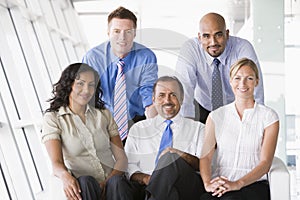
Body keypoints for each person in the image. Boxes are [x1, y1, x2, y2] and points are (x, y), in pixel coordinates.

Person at [41, 63, 134, 200]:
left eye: (91, 85)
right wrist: (65, 177)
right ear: (69, 85)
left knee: (117, 182)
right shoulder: (53, 119)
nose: (86, 90)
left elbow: (121, 159)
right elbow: (56, 163)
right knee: (85, 182)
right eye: (80, 84)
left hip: (112, 184)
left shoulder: (104, 115)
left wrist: (107, 184)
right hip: (84, 188)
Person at [199, 58, 279, 200]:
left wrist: (237, 184)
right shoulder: (216, 116)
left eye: (249, 78)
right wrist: (207, 184)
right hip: (221, 183)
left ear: (256, 81)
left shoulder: (269, 117)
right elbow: (206, 156)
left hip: (252, 185)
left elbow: (265, 163)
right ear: (230, 81)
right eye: (237, 78)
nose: (242, 84)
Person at [82, 6, 158, 142]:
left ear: (134, 34)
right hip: (104, 120)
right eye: (116, 31)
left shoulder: (146, 56)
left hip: (137, 119)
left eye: (128, 32)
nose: (122, 38)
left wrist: (156, 127)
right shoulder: (93, 57)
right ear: (108, 32)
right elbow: (86, 95)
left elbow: (148, 93)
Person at [124, 76, 206, 200]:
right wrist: (147, 179)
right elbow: (129, 166)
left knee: (170, 157)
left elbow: (204, 165)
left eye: (173, 95)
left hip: (185, 187)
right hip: (146, 187)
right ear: (153, 99)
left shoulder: (199, 129)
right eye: (161, 95)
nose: (167, 100)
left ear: (182, 98)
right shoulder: (138, 129)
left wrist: (179, 155)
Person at [176, 12, 264, 124]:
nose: (213, 42)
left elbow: (255, 90)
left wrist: (256, 124)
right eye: (206, 36)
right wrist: (185, 127)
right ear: (199, 38)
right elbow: (184, 91)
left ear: (227, 34)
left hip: (235, 107)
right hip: (204, 107)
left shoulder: (242, 48)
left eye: (218, 35)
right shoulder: (191, 49)